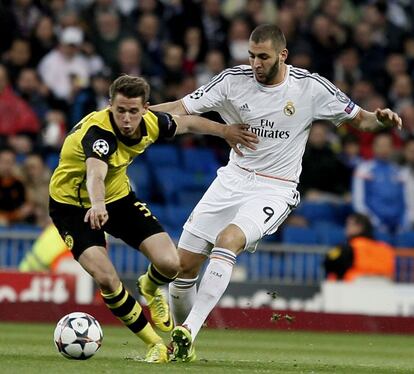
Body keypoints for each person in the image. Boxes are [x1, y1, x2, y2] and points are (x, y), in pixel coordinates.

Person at [150, 24, 403, 362]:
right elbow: (182, 107)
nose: (255, 63)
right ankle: (183, 345)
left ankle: (190, 330)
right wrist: (137, 113)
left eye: (263, 57)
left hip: (274, 188)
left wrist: (381, 119)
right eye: (252, 56)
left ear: (282, 55)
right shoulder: (232, 80)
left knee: (229, 240)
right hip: (231, 179)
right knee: (183, 266)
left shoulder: (309, 88)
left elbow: (362, 120)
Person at [48, 74, 257, 363]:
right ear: (110, 106)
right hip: (72, 207)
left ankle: (148, 285)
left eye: (133, 111)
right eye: (120, 110)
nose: (126, 118)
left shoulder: (152, 123)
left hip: (119, 199)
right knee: (107, 279)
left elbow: (189, 122)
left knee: (171, 264)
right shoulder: (99, 134)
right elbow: (95, 173)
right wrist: (97, 205)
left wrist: (225, 131)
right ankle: (155, 343)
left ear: (146, 108)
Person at [323, 213, 395, 281]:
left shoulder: (346, 248)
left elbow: (327, 263)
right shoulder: (386, 249)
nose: (346, 228)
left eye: (349, 225)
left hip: (351, 289)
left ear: (359, 227)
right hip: (384, 290)